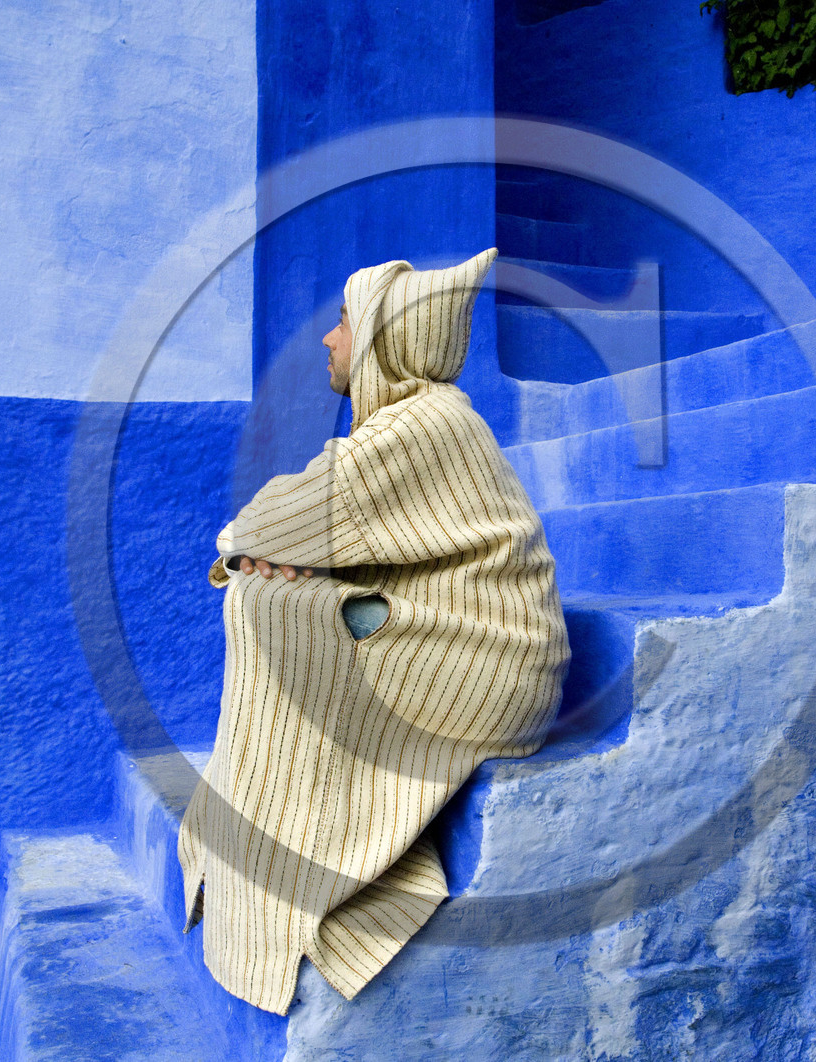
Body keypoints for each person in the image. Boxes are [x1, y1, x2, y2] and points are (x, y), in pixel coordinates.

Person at [176, 246, 571, 1016]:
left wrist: (256, 557)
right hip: (464, 650)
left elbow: (267, 521)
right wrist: (273, 562)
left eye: (345, 321)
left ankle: (291, 858)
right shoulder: (418, 421)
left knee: (262, 605)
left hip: (491, 671)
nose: (329, 338)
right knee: (269, 596)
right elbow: (294, 535)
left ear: (385, 338)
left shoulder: (425, 423)